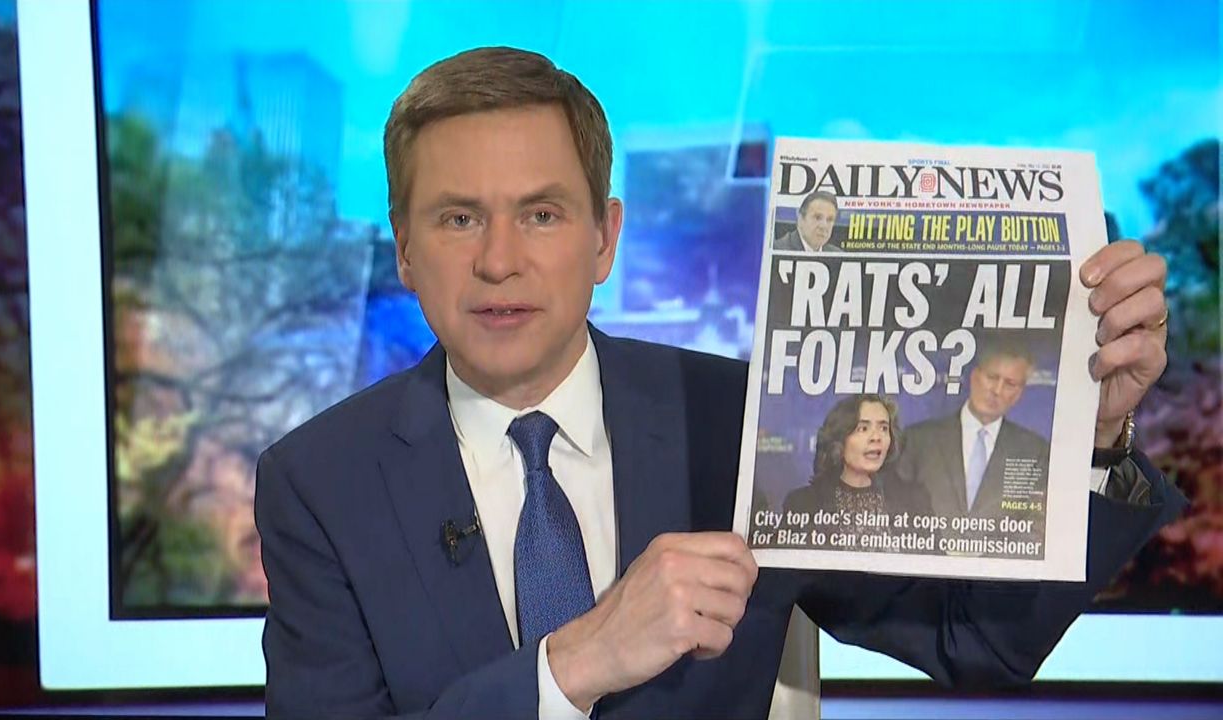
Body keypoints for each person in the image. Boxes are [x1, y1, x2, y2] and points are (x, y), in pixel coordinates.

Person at [255, 47, 1185, 719]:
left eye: (541, 214)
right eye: (459, 219)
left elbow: (975, 640)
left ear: (605, 239)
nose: (500, 261)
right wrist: (572, 666)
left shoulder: (748, 424)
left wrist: (1093, 435)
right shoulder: (318, 483)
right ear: (404, 250)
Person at [896, 340, 1050, 529]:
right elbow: (896, 510)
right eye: (992, 377)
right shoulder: (919, 439)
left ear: (1019, 393)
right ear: (975, 377)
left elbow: (1036, 524)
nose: (997, 391)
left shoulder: (1035, 451)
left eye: (1010, 384)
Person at [781, 394, 932, 527]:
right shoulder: (802, 503)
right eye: (863, 428)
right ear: (839, 440)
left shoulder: (915, 500)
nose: (876, 437)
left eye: (883, 428)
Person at [773, 191, 841, 252]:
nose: (823, 226)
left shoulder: (837, 254)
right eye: (817, 217)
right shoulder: (777, 250)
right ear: (800, 219)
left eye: (829, 219)